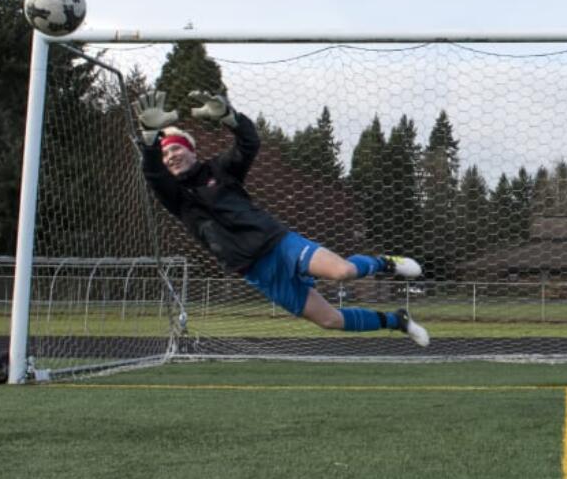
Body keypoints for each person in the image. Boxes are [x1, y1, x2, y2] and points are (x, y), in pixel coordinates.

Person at [134, 88, 429, 346]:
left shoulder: (219, 170)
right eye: (165, 155)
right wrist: (148, 137)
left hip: (279, 244)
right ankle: (397, 321)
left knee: (343, 272)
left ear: (192, 152)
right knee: (330, 320)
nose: (170, 156)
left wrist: (230, 118)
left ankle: (387, 262)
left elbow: (249, 144)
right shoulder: (176, 198)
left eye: (175, 149)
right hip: (257, 270)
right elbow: (154, 175)